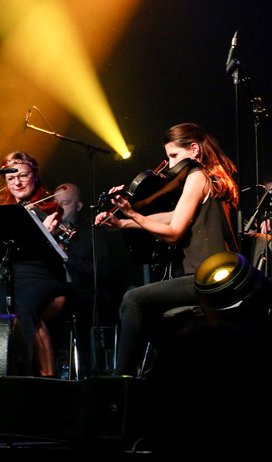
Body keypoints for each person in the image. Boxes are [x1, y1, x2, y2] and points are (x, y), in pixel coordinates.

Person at [96, 123, 238, 376]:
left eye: (173, 156)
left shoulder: (197, 177)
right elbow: (176, 214)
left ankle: (121, 381)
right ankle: (163, 376)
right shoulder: (217, 178)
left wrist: (132, 213)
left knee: (133, 299)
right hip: (225, 274)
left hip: (206, 277)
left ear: (194, 149)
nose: (169, 164)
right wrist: (124, 222)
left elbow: (173, 233)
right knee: (148, 308)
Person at [0, 152, 66, 376]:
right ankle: (3, 374)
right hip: (11, 275)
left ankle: (47, 378)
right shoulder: (1, 213)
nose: (17, 182)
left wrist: (47, 235)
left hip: (43, 277)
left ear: (35, 176)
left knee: (22, 305)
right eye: (10, 179)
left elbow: (59, 252)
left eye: (23, 176)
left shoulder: (50, 208)